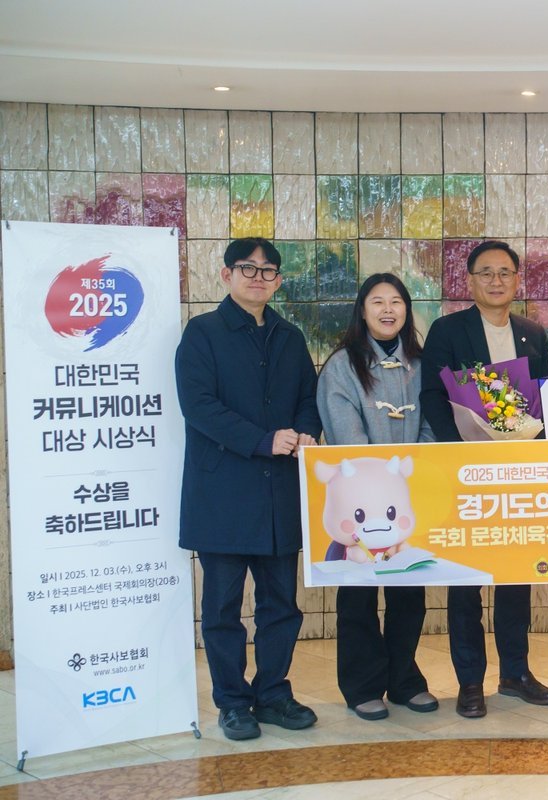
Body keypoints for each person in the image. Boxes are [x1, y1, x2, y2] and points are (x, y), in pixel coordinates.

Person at [176, 237, 321, 741]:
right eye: (248, 268)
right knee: (222, 608)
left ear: (278, 281)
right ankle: (233, 703)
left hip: (279, 492)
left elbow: (308, 398)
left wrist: (307, 431)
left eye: (268, 271)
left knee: (281, 604)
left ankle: (274, 694)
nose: (258, 278)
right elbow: (198, 406)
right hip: (223, 494)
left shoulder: (290, 336)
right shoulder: (202, 333)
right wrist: (262, 440)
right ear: (226, 275)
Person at [419, 240, 548, 718]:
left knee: (516, 577)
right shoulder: (447, 330)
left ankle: (516, 673)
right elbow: (432, 396)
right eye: (486, 273)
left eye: (505, 272)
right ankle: (470, 681)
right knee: (466, 580)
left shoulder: (532, 333)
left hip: (519, 476)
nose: (496, 281)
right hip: (467, 475)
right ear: (470, 281)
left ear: (517, 280)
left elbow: (543, 398)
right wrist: (462, 453)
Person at [316, 273, 440, 721]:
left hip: (406, 498)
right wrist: (378, 474)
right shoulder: (342, 366)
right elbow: (345, 434)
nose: (388, 310)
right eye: (377, 302)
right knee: (358, 595)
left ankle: (405, 680)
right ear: (362, 310)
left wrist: (414, 465)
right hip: (359, 502)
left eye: (396, 302)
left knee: (409, 592)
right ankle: (362, 685)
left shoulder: (421, 363)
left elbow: (433, 420)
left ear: (407, 309)